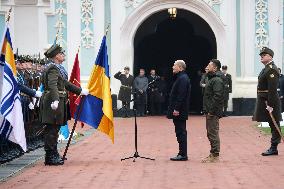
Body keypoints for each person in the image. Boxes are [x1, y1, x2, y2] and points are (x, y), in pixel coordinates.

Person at [40, 44, 89, 165]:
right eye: (62, 53)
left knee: (55, 129)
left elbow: (65, 83)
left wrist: (80, 91)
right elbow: (52, 85)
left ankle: (53, 153)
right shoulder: (52, 68)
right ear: (56, 56)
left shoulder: (56, 68)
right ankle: (50, 157)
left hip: (57, 101)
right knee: (51, 129)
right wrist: (55, 100)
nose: (63, 55)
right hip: (53, 102)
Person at [253, 47, 282, 156]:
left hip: (269, 101)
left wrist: (270, 104)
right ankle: (274, 146)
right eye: (261, 55)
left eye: (264, 55)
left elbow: (273, 89)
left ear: (270, 56)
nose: (261, 56)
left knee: (274, 123)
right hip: (264, 99)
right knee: (271, 123)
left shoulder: (272, 69)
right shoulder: (266, 68)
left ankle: (274, 147)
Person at [167, 60, 191, 161]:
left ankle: (183, 154)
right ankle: (181, 153)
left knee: (181, 132)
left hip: (180, 111)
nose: (172, 67)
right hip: (179, 110)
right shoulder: (181, 77)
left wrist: (176, 108)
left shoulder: (183, 78)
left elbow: (181, 96)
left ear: (180, 68)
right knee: (179, 132)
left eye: (174, 66)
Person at [202, 59, 224, 163]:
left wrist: (211, 111)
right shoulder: (211, 79)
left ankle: (215, 155)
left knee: (213, 133)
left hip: (213, 112)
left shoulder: (217, 80)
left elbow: (217, 97)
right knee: (210, 133)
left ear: (215, 68)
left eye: (209, 65)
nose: (207, 66)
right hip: (209, 110)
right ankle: (212, 153)